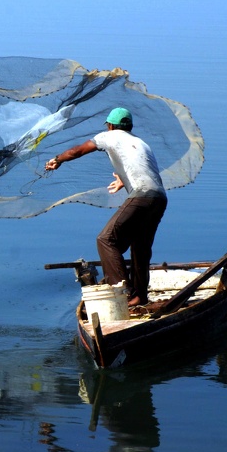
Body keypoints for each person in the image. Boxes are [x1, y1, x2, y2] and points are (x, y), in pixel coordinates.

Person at [45, 107, 167, 306]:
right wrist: (123, 180)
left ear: (110, 126)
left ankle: (122, 293)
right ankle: (139, 297)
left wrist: (57, 160)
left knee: (106, 240)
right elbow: (142, 168)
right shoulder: (140, 143)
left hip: (142, 196)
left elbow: (77, 151)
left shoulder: (109, 137)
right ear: (130, 126)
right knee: (140, 248)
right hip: (159, 198)